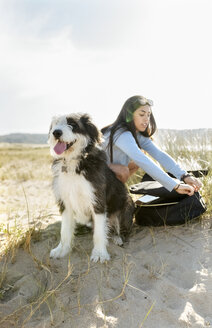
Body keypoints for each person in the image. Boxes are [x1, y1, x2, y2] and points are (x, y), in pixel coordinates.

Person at [101, 95, 202, 196]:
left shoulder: (136, 134)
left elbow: (160, 155)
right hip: (92, 175)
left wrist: (184, 176)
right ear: (130, 115)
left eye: (148, 115)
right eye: (142, 114)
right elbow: (143, 160)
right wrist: (175, 186)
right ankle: (106, 197)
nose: (146, 119)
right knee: (123, 171)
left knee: (134, 165)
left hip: (106, 171)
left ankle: (113, 193)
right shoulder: (121, 133)